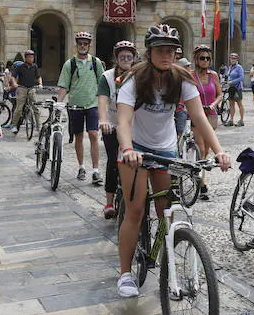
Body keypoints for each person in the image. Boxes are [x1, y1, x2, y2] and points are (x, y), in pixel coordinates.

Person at [115, 24, 231, 297]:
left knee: (166, 212)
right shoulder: (134, 79)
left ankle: (169, 269)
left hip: (165, 149)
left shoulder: (182, 79)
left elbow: (199, 118)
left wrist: (218, 151)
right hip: (136, 148)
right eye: (160, 50)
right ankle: (124, 274)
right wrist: (128, 148)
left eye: (171, 50)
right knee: (135, 210)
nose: (166, 55)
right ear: (150, 51)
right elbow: (124, 119)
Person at [57, 31, 105, 185]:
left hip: (92, 104)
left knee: (93, 134)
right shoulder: (69, 64)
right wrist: (59, 103)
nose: (83, 46)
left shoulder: (96, 62)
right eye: (80, 43)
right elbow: (64, 85)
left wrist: (106, 103)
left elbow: (103, 84)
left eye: (85, 43)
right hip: (75, 106)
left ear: (89, 45)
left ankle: (96, 171)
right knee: (78, 136)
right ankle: (81, 167)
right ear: (76, 45)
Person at [97, 41, 136, 219]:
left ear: (134, 58)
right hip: (112, 125)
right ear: (117, 58)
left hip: (133, 126)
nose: (126, 60)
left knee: (137, 162)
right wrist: (103, 120)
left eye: (129, 57)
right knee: (113, 161)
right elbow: (103, 100)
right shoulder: (107, 77)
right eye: (122, 57)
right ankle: (109, 202)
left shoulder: (138, 76)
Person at [191, 45, 221, 201]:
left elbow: (220, 94)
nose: (205, 61)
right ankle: (202, 184)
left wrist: (214, 104)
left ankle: (199, 176)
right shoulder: (191, 75)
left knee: (206, 151)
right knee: (201, 149)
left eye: (208, 58)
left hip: (211, 114)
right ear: (196, 59)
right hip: (197, 115)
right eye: (202, 58)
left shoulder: (213, 75)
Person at [9, 50, 41, 134]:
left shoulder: (34, 67)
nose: (31, 59)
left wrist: (40, 83)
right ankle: (14, 125)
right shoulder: (20, 67)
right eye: (30, 57)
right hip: (22, 89)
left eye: (32, 57)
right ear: (26, 58)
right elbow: (13, 76)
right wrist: (15, 83)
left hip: (31, 89)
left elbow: (38, 77)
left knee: (36, 108)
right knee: (19, 108)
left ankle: (39, 127)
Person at [224, 53, 245, 126]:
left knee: (239, 104)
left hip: (237, 88)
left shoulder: (239, 67)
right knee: (231, 104)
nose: (232, 59)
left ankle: (241, 120)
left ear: (237, 59)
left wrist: (232, 82)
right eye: (231, 58)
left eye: (234, 58)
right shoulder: (229, 67)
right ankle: (231, 120)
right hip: (231, 88)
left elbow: (241, 78)